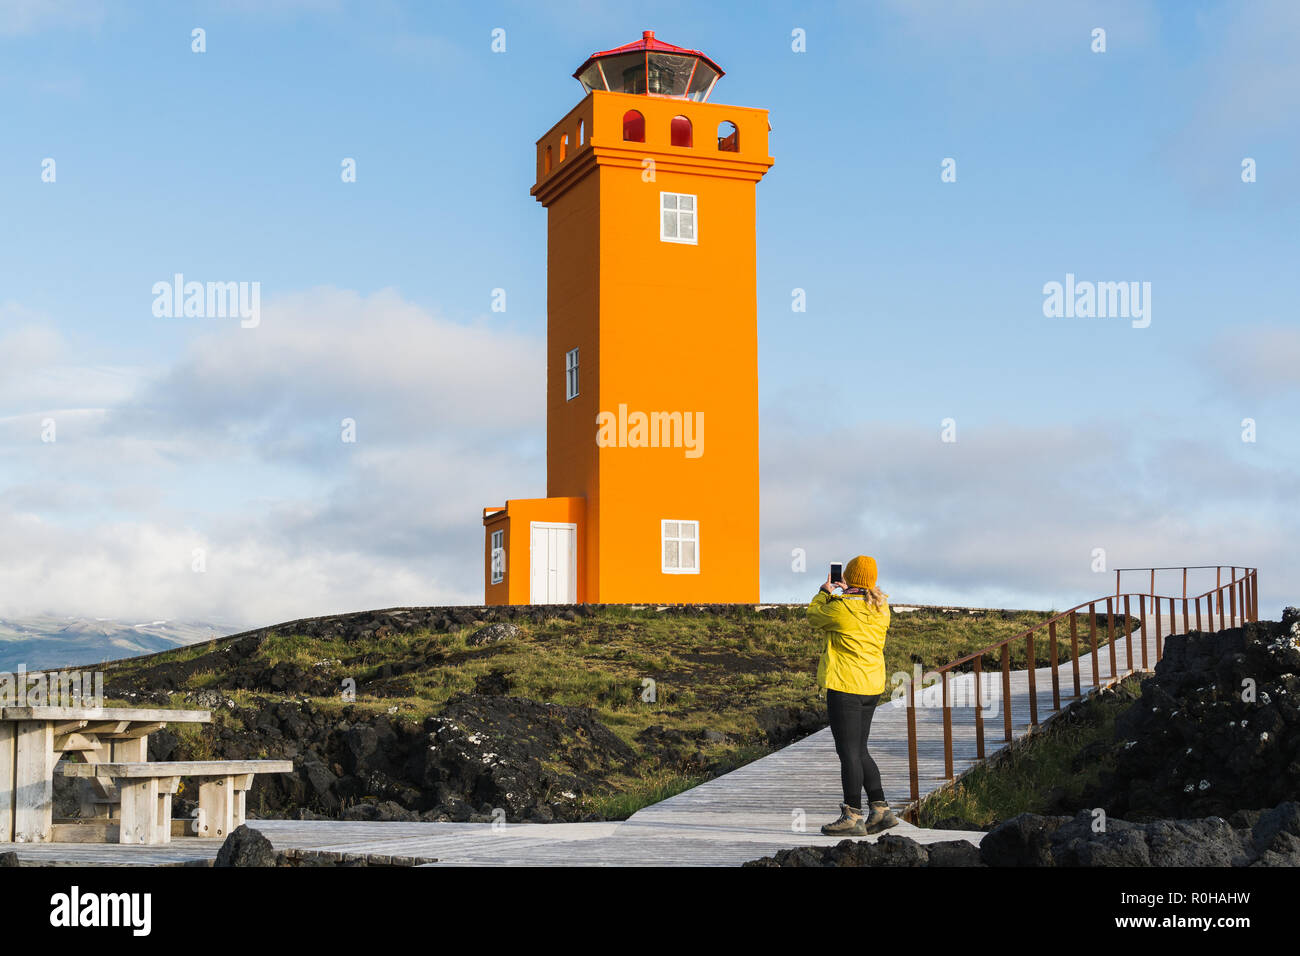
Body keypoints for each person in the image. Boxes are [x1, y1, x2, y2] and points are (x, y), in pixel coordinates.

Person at [806, 554, 898, 836]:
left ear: (848, 578)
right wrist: (845, 593)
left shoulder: (841, 608)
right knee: (859, 750)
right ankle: (880, 810)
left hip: (845, 686)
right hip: (871, 687)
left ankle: (852, 815)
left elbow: (813, 616)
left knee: (848, 753)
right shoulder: (882, 608)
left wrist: (825, 592)